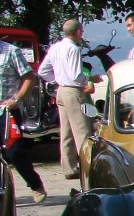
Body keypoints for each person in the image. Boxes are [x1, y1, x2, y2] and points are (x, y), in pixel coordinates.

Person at [0, 16, 47, 202]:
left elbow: (29, 78)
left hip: (5, 111)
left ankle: (36, 185)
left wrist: (17, 99)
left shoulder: (10, 51)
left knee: (15, 152)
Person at [37, 18, 93, 180]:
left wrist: (56, 80)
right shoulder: (73, 48)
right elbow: (76, 75)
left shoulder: (55, 47)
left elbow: (42, 71)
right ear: (78, 32)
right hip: (73, 91)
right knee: (82, 130)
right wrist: (90, 79)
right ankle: (88, 167)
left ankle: (69, 167)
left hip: (61, 90)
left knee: (66, 131)